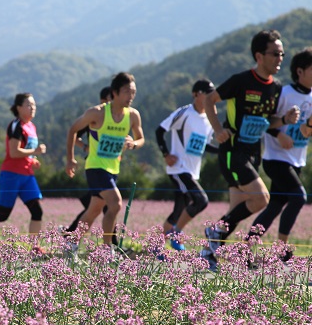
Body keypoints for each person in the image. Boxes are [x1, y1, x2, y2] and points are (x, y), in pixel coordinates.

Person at [201, 29, 300, 270]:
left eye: (282, 54)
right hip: (233, 151)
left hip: (253, 152)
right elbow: (208, 101)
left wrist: (285, 119)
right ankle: (213, 232)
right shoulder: (241, 80)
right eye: (275, 54)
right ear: (259, 55)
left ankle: (208, 253)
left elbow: (269, 123)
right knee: (261, 199)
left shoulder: (276, 87)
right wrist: (218, 129)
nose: (280, 58)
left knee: (235, 211)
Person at [65, 72, 144, 250]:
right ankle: (107, 249)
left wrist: (133, 144)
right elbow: (72, 130)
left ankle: (71, 242)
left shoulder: (132, 116)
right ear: (114, 92)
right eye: (126, 92)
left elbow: (141, 139)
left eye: (133, 92)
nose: (130, 96)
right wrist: (70, 160)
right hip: (95, 167)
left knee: (93, 210)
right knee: (115, 203)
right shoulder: (97, 113)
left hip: (113, 169)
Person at [247, 48, 312, 262]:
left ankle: (245, 248)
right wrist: (279, 133)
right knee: (298, 197)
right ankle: (281, 249)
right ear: (300, 71)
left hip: (297, 159)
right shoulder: (283, 93)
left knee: (275, 205)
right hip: (276, 159)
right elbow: (265, 122)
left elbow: (306, 131)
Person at [155, 79, 216, 251]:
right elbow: (160, 130)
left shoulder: (209, 119)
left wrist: (224, 151)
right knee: (201, 200)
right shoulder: (184, 113)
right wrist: (166, 154)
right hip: (179, 169)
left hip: (192, 170)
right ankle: (176, 233)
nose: (211, 97)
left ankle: (156, 247)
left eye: (213, 93)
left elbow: (204, 145)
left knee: (179, 210)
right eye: (207, 93)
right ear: (195, 94)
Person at [0, 93, 46, 241]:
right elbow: (13, 152)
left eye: (34, 105)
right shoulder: (16, 125)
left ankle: (35, 248)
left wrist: (33, 160)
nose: (32, 108)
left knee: (37, 211)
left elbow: (25, 152)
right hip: (11, 175)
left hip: (27, 175)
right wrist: (35, 151)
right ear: (18, 108)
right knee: (2, 215)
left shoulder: (32, 126)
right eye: (28, 105)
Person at [65, 86, 112, 234]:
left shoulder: (118, 117)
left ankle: (70, 234)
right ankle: (112, 245)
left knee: (97, 205)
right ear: (103, 100)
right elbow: (74, 134)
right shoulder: (96, 117)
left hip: (109, 165)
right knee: (109, 205)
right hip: (95, 164)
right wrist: (85, 147)